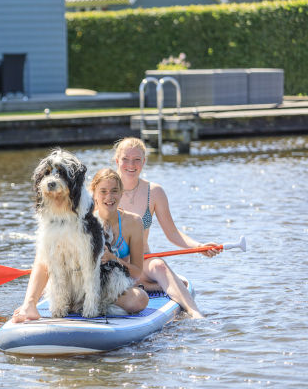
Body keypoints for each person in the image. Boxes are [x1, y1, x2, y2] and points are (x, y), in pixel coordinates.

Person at [12, 169, 148, 323]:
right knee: (46, 252)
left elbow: (137, 272)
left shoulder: (134, 222)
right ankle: (30, 303)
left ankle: (92, 303)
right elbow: (48, 259)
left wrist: (112, 258)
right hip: (76, 282)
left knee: (140, 300)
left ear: (122, 193)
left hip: (109, 283)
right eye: (103, 191)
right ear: (93, 193)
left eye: (114, 191)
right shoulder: (81, 219)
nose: (109, 197)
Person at [112, 137, 222, 319]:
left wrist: (199, 247)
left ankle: (194, 312)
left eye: (137, 159)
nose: (131, 165)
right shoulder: (105, 190)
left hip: (143, 263)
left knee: (160, 265)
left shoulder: (154, 192)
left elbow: (172, 233)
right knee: (177, 281)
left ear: (144, 162)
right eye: (125, 159)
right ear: (117, 161)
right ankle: (151, 286)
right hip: (114, 266)